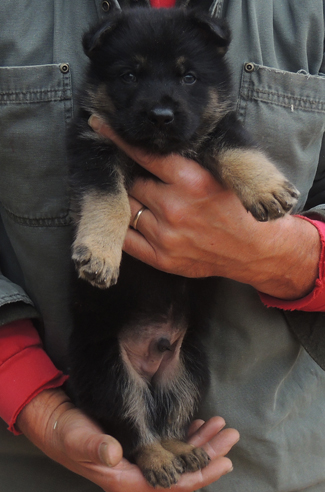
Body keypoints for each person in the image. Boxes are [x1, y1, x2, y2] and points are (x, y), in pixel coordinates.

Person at [0, 0, 325, 491]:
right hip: (40, 464)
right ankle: (145, 444)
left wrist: (285, 253)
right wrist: (28, 396)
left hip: (277, 463)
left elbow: (226, 143)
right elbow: (99, 179)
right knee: (112, 368)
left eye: (188, 78)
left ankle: (167, 436)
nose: (160, 103)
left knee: (181, 369)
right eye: (130, 77)